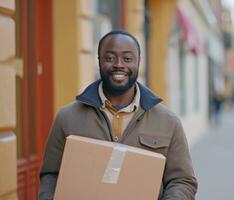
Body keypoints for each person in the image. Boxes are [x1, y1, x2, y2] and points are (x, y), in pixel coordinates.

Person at [39, 30, 197, 199]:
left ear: (138, 62)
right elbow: (50, 175)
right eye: (110, 58)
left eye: (127, 59)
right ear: (99, 62)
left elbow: (182, 180)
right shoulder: (67, 117)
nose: (119, 64)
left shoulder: (168, 122)